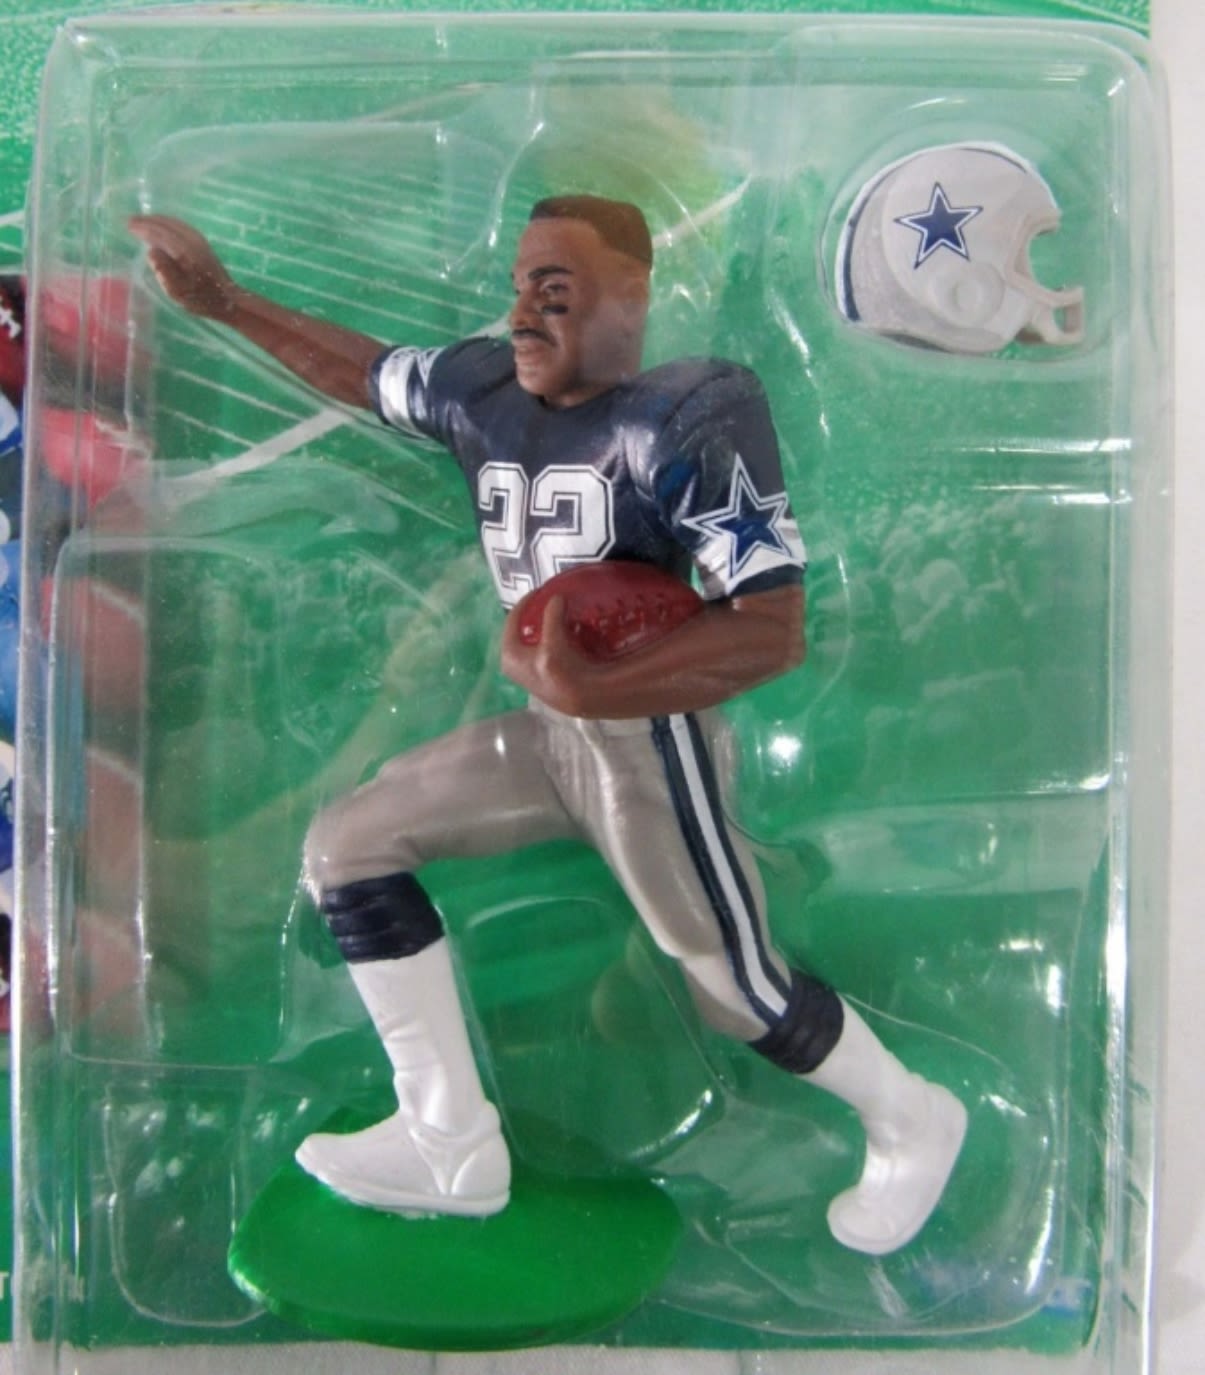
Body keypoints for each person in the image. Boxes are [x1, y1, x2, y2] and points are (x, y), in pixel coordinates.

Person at [130, 196, 966, 1256]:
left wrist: (602, 686)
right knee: (349, 844)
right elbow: (364, 370)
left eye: (555, 293)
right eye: (520, 288)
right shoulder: (481, 391)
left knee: (734, 987)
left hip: (651, 741)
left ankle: (910, 1114)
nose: (524, 313)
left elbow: (772, 628)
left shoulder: (683, 416)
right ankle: (448, 1140)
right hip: (552, 727)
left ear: (632, 302)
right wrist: (226, 303)